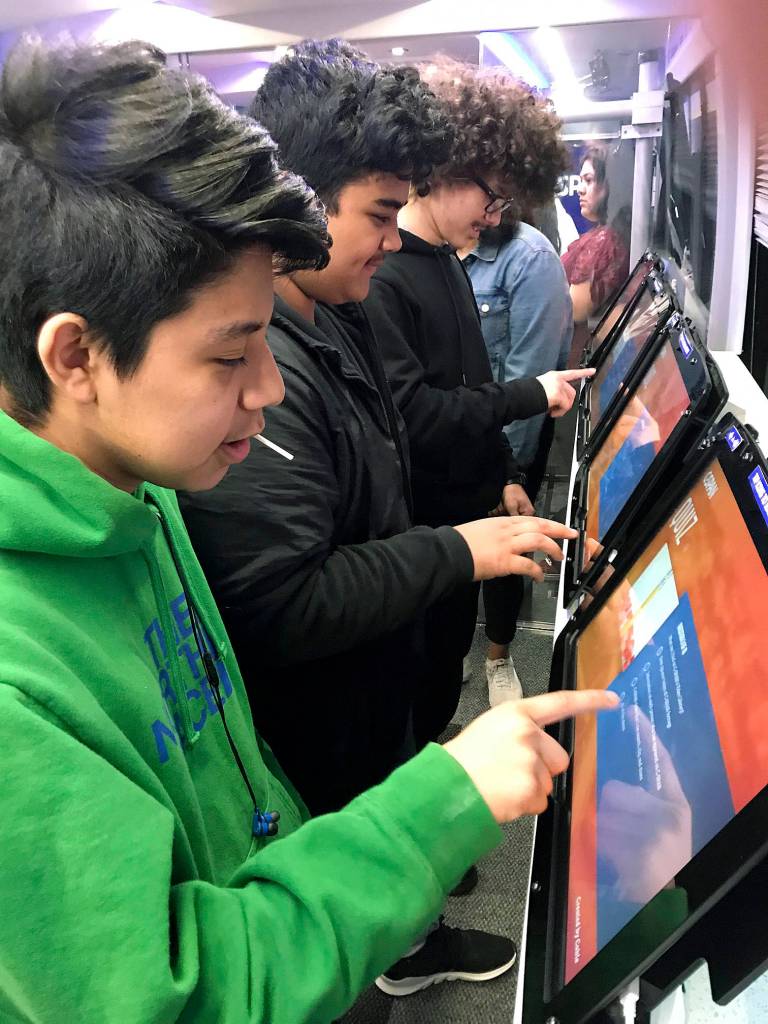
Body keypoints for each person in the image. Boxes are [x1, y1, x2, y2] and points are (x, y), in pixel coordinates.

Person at [0, 34, 618, 1023]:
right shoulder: (15, 687)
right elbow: (175, 998)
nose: (271, 389)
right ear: (74, 355)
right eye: (230, 354)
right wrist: (432, 809)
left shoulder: (138, 492)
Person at [180, 39, 574, 991]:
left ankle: (408, 914)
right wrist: (455, 551)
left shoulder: (339, 308)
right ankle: (399, 953)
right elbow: (285, 600)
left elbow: (387, 456)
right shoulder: (257, 360)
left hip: (373, 685)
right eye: (377, 215)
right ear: (303, 200)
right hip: (321, 720)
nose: (392, 240)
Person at [363, 59, 593, 737]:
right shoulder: (387, 278)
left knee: (443, 674)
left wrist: (503, 478)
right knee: (424, 693)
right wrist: (530, 394)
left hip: (467, 517)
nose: (494, 217)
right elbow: (420, 413)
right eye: (488, 198)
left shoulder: (447, 263)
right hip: (426, 533)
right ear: (446, 168)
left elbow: (467, 384)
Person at [462, 208, 574, 651]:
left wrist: (507, 470)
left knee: (509, 545)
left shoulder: (529, 258)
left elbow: (530, 377)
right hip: (457, 431)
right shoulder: (434, 252)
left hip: (508, 437)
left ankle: (499, 651)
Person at [562, 145, 631, 328]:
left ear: (610, 185)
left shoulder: (605, 240)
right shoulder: (606, 233)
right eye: (581, 180)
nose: (580, 190)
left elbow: (575, 311)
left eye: (589, 180)